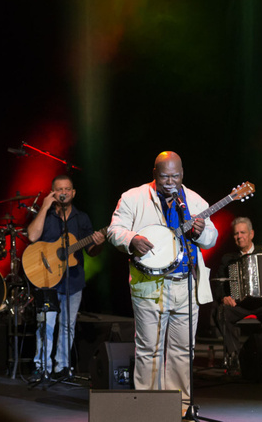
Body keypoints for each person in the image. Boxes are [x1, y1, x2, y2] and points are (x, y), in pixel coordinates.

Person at [107, 151, 216, 406]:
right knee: (149, 350)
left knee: (183, 351)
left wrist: (201, 232)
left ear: (182, 175)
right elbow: (114, 230)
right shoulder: (133, 197)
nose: (170, 182)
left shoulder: (194, 200)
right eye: (165, 176)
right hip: (149, 286)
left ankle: (179, 406)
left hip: (186, 286)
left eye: (175, 176)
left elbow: (212, 237)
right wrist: (131, 239)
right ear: (154, 174)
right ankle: (150, 407)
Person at [26, 174, 105, 381]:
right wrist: (44, 207)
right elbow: (32, 236)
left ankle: (63, 366)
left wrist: (99, 242)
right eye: (59, 189)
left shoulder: (82, 218)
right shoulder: (47, 214)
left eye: (67, 189)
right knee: (46, 323)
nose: (63, 193)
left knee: (67, 325)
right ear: (53, 192)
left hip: (73, 279)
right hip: (46, 279)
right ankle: (42, 366)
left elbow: (91, 251)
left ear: (73, 193)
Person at [215, 217, 262, 374]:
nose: (239, 236)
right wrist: (224, 297)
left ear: (251, 234)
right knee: (222, 312)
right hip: (241, 305)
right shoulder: (228, 259)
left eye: (243, 232)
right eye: (236, 234)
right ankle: (235, 357)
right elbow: (219, 283)